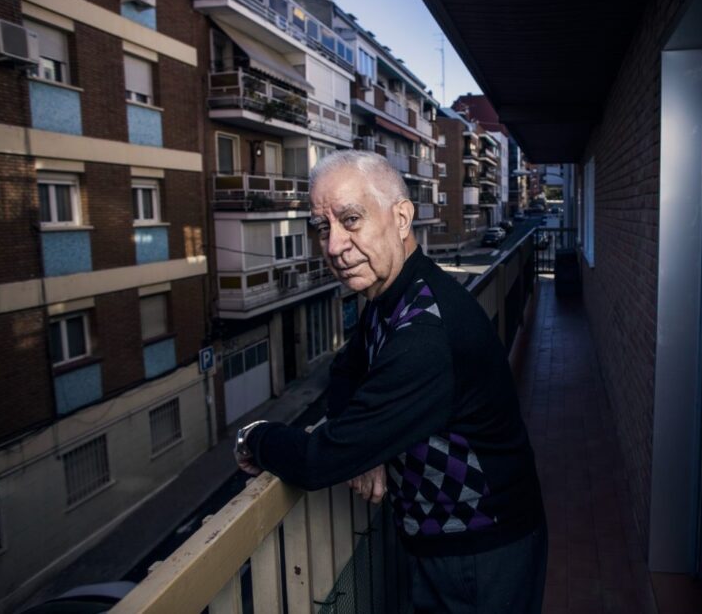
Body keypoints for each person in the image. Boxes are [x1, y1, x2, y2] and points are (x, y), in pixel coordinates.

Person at [234, 150, 547, 613]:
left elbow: (319, 461)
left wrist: (254, 437)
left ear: (402, 218)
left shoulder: (424, 333)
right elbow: (348, 368)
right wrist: (368, 443)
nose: (334, 245)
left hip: (482, 552)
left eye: (351, 219)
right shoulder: (392, 294)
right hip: (445, 544)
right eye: (324, 227)